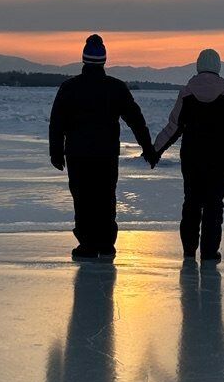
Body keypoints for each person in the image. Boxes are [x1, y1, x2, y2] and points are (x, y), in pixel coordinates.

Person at [49, 33, 157, 259]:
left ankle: (88, 244)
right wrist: (148, 148)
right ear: (104, 61)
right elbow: (136, 119)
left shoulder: (70, 88)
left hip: (78, 154)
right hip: (106, 154)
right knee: (106, 196)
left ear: (84, 60)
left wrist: (56, 152)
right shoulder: (116, 88)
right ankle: (106, 244)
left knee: (83, 198)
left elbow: (57, 122)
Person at [153, 48, 224, 262]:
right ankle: (209, 252)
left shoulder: (187, 93)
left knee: (192, 202)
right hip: (221, 160)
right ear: (218, 67)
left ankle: (189, 250)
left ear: (198, 66)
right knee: (214, 204)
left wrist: (155, 151)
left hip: (192, 158)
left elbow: (173, 127)